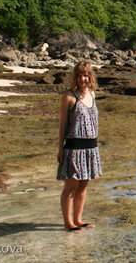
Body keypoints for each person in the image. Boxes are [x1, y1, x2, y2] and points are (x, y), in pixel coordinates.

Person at [57, 61, 102, 232]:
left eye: (86, 75)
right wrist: (60, 148)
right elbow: (62, 123)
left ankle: (78, 219)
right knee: (71, 186)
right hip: (74, 147)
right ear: (75, 77)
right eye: (80, 75)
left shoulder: (93, 94)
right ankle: (68, 223)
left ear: (90, 77)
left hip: (91, 147)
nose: (83, 79)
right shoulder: (69, 96)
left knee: (83, 186)